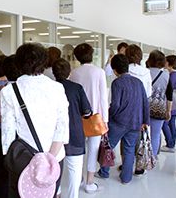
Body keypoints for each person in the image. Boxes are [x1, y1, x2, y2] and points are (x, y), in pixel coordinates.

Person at [0, 43, 69, 198]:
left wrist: (9, 159)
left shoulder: (9, 91)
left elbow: (8, 133)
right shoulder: (57, 88)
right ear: (44, 62)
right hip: (55, 158)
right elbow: (62, 126)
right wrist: (50, 158)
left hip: (23, 159)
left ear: (19, 63)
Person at [98, 54, 149, 184]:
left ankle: (104, 172)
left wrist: (109, 116)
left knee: (108, 146)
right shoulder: (138, 82)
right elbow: (145, 102)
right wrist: (145, 121)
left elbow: (115, 105)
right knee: (129, 149)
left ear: (115, 70)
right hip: (135, 122)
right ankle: (126, 178)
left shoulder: (117, 83)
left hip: (119, 122)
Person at [69, 43, 108, 193]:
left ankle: (78, 180)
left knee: (79, 151)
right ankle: (90, 183)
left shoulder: (74, 73)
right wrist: (105, 121)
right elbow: (103, 98)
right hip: (96, 118)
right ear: (92, 55)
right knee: (93, 150)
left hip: (78, 117)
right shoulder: (99, 72)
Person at [52, 58, 92, 198]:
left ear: (53, 72)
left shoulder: (50, 88)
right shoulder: (77, 88)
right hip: (74, 134)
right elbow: (87, 111)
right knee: (74, 172)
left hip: (53, 135)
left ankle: (56, 194)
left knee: (53, 169)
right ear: (69, 72)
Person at [0, 55, 21, 198]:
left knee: (2, 168)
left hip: (1, 131)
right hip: (20, 134)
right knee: (19, 169)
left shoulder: (0, 88)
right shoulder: (24, 89)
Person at [147, 50, 173, 160]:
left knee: (140, 134)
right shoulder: (166, 75)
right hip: (160, 108)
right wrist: (169, 110)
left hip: (144, 107)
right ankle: (152, 158)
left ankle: (139, 156)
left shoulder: (145, 72)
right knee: (155, 134)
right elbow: (169, 94)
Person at [161, 55, 176, 153]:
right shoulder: (175, 74)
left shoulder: (172, 76)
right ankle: (171, 144)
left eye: (165, 61)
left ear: (169, 63)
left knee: (164, 124)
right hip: (175, 105)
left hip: (171, 105)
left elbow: (168, 91)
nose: (164, 63)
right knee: (171, 124)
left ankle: (170, 144)